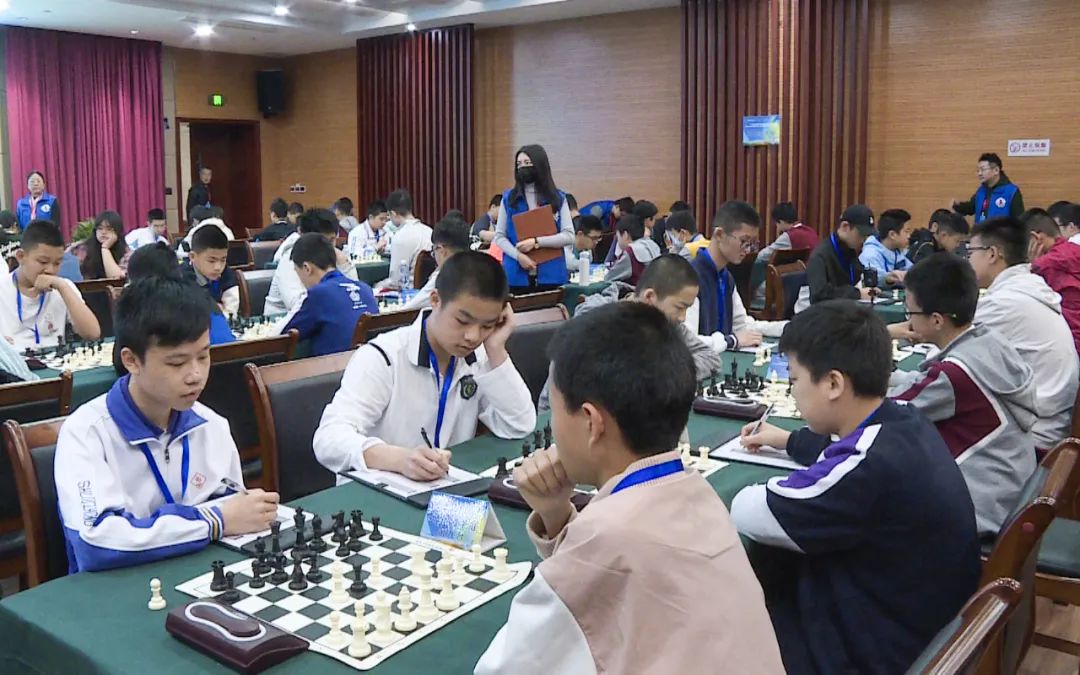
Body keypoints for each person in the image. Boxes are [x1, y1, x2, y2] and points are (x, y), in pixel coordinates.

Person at [475, 302, 784, 675]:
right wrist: (557, 514)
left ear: (591, 422)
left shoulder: (605, 537)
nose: (553, 429)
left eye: (554, 413)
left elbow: (505, 667)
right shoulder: (698, 492)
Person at [730, 300, 980, 675]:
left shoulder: (867, 466)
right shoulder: (906, 420)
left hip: (878, 651)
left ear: (833, 383)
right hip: (922, 623)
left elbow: (749, 509)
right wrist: (789, 440)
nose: (792, 391)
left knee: (734, 609)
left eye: (795, 380)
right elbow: (846, 450)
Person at [55, 276, 280, 573]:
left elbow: (235, 514)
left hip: (197, 577)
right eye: (177, 363)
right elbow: (95, 544)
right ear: (131, 361)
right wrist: (213, 522)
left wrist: (227, 517)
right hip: (117, 588)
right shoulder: (86, 433)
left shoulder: (211, 425)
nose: (195, 375)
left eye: (204, 355)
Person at [314, 252, 536, 482]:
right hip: (378, 491)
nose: (473, 336)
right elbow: (328, 439)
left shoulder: (480, 357)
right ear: (435, 300)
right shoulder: (383, 356)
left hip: (442, 487)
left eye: (487, 326)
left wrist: (496, 349)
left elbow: (519, 425)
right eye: (462, 321)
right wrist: (399, 459)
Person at [888, 254, 1037, 536]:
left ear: (936, 320)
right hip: (1006, 489)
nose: (908, 321)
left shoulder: (953, 375)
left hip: (978, 509)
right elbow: (921, 387)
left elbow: (882, 414)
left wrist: (882, 338)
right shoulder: (988, 340)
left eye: (911, 313)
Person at [539, 254, 722, 412]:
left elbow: (710, 358)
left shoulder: (667, 323)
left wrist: (664, 373)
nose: (683, 318)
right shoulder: (595, 323)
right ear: (649, 297)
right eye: (680, 307)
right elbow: (569, 389)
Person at [968, 216, 1079, 451]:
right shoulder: (1029, 287)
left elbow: (949, 354)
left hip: (1035, 437)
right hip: (1051, 420)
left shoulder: (1005, 302)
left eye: (971, 252)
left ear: (992, 254)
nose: (968, 260)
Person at [685, 200, 784, 353]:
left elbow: (743, 325)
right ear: (719, 234)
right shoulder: (690, 278)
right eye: (744, 241)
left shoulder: (726, 277)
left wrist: (786, 327)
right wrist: (732, 340)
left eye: (752, 243)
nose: (748, 250)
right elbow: (688, 341)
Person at [0, 220, 100, 349]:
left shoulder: (63, 287)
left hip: (55, 359)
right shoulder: (3, 289)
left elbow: (92, 334)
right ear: (21, 256)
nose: (50, 270)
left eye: (57, 263)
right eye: (43, 262)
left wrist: (63, 287)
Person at [279, 234, 378, 357]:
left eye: (297, 272)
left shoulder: (319, 294)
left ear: (307, 268)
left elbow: (286, 338)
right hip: (370, 363)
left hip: (335, 366)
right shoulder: (365, 288)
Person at [495, 145, 575, 295]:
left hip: (551, 274)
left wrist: (536, 242)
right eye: (519, 164)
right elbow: (499, 236)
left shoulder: (557, 198)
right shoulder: (509, 199)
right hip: (516, 275)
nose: (522, 167)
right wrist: (519, 256)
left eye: (527, 163)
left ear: (539, 165)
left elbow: (569, 236)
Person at [264, 208, 359, 316]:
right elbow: (299, 305)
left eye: (332, 240)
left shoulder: (336, 255)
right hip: (282, 320)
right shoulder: (291, 259)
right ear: (305, 237)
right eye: (322, 241)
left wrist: (344, 265)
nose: (327, 247)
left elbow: (356, 293)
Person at [1024, 208, 1080, 354]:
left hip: (1072, 345)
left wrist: (1032, 266)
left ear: (1035, 238)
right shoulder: (1075, 249)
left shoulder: (1045, 265)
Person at [801, 204, 875, 308]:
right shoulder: (820, 255)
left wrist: (870, 288)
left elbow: (857, 277)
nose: (863, 240)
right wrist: (857, 294)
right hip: (815, 312)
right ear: (845, 227)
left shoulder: (849, 251)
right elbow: (819, 295)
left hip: (841, 308)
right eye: (861, 234)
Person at [402, 212, 471, 311]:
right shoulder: (480, 269)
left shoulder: (444, 277)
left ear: (442, 250)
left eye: (434, 251)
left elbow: (407, 310)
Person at [181, 224, 239, 318]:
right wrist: (216, 309)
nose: (218, 267)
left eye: (223, 260)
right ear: (192, 257)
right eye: (211, 261)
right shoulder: (181, 278)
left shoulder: (226, 273)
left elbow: (231, 312)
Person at [952, 152, 1024, 223]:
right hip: (980, 230)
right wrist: (957, 206)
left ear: (996, 170)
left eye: (983, 169)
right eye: (978, 170)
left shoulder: (1012, 192)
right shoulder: (981, 191)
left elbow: (1019, 221)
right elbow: (971, 207)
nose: (979, 173)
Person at [384, 189, 432, 289]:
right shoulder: (430, 231)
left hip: (409, 291)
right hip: (430, 289)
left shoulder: (400, 237)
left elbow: (395, 281)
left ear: (393, 213)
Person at [858, 208, 914, 287]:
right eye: (906, 231)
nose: (909, 236)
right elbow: (871, 281)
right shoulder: (870, 254)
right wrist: (887, 278)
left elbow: (912, 271)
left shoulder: (897, 251)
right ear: (892, 235)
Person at [73, 211, 131, 280]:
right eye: (100, 228)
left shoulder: (127, 253)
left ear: (117, 232)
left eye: (109, 229)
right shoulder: (82, 248)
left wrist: (105, 248)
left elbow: (116, 278)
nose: (103, 232)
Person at [604, 215, 660, 285]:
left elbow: (609, 278)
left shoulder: (630, 252)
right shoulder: (653, 245)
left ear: (625, 235)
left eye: (618, 237)